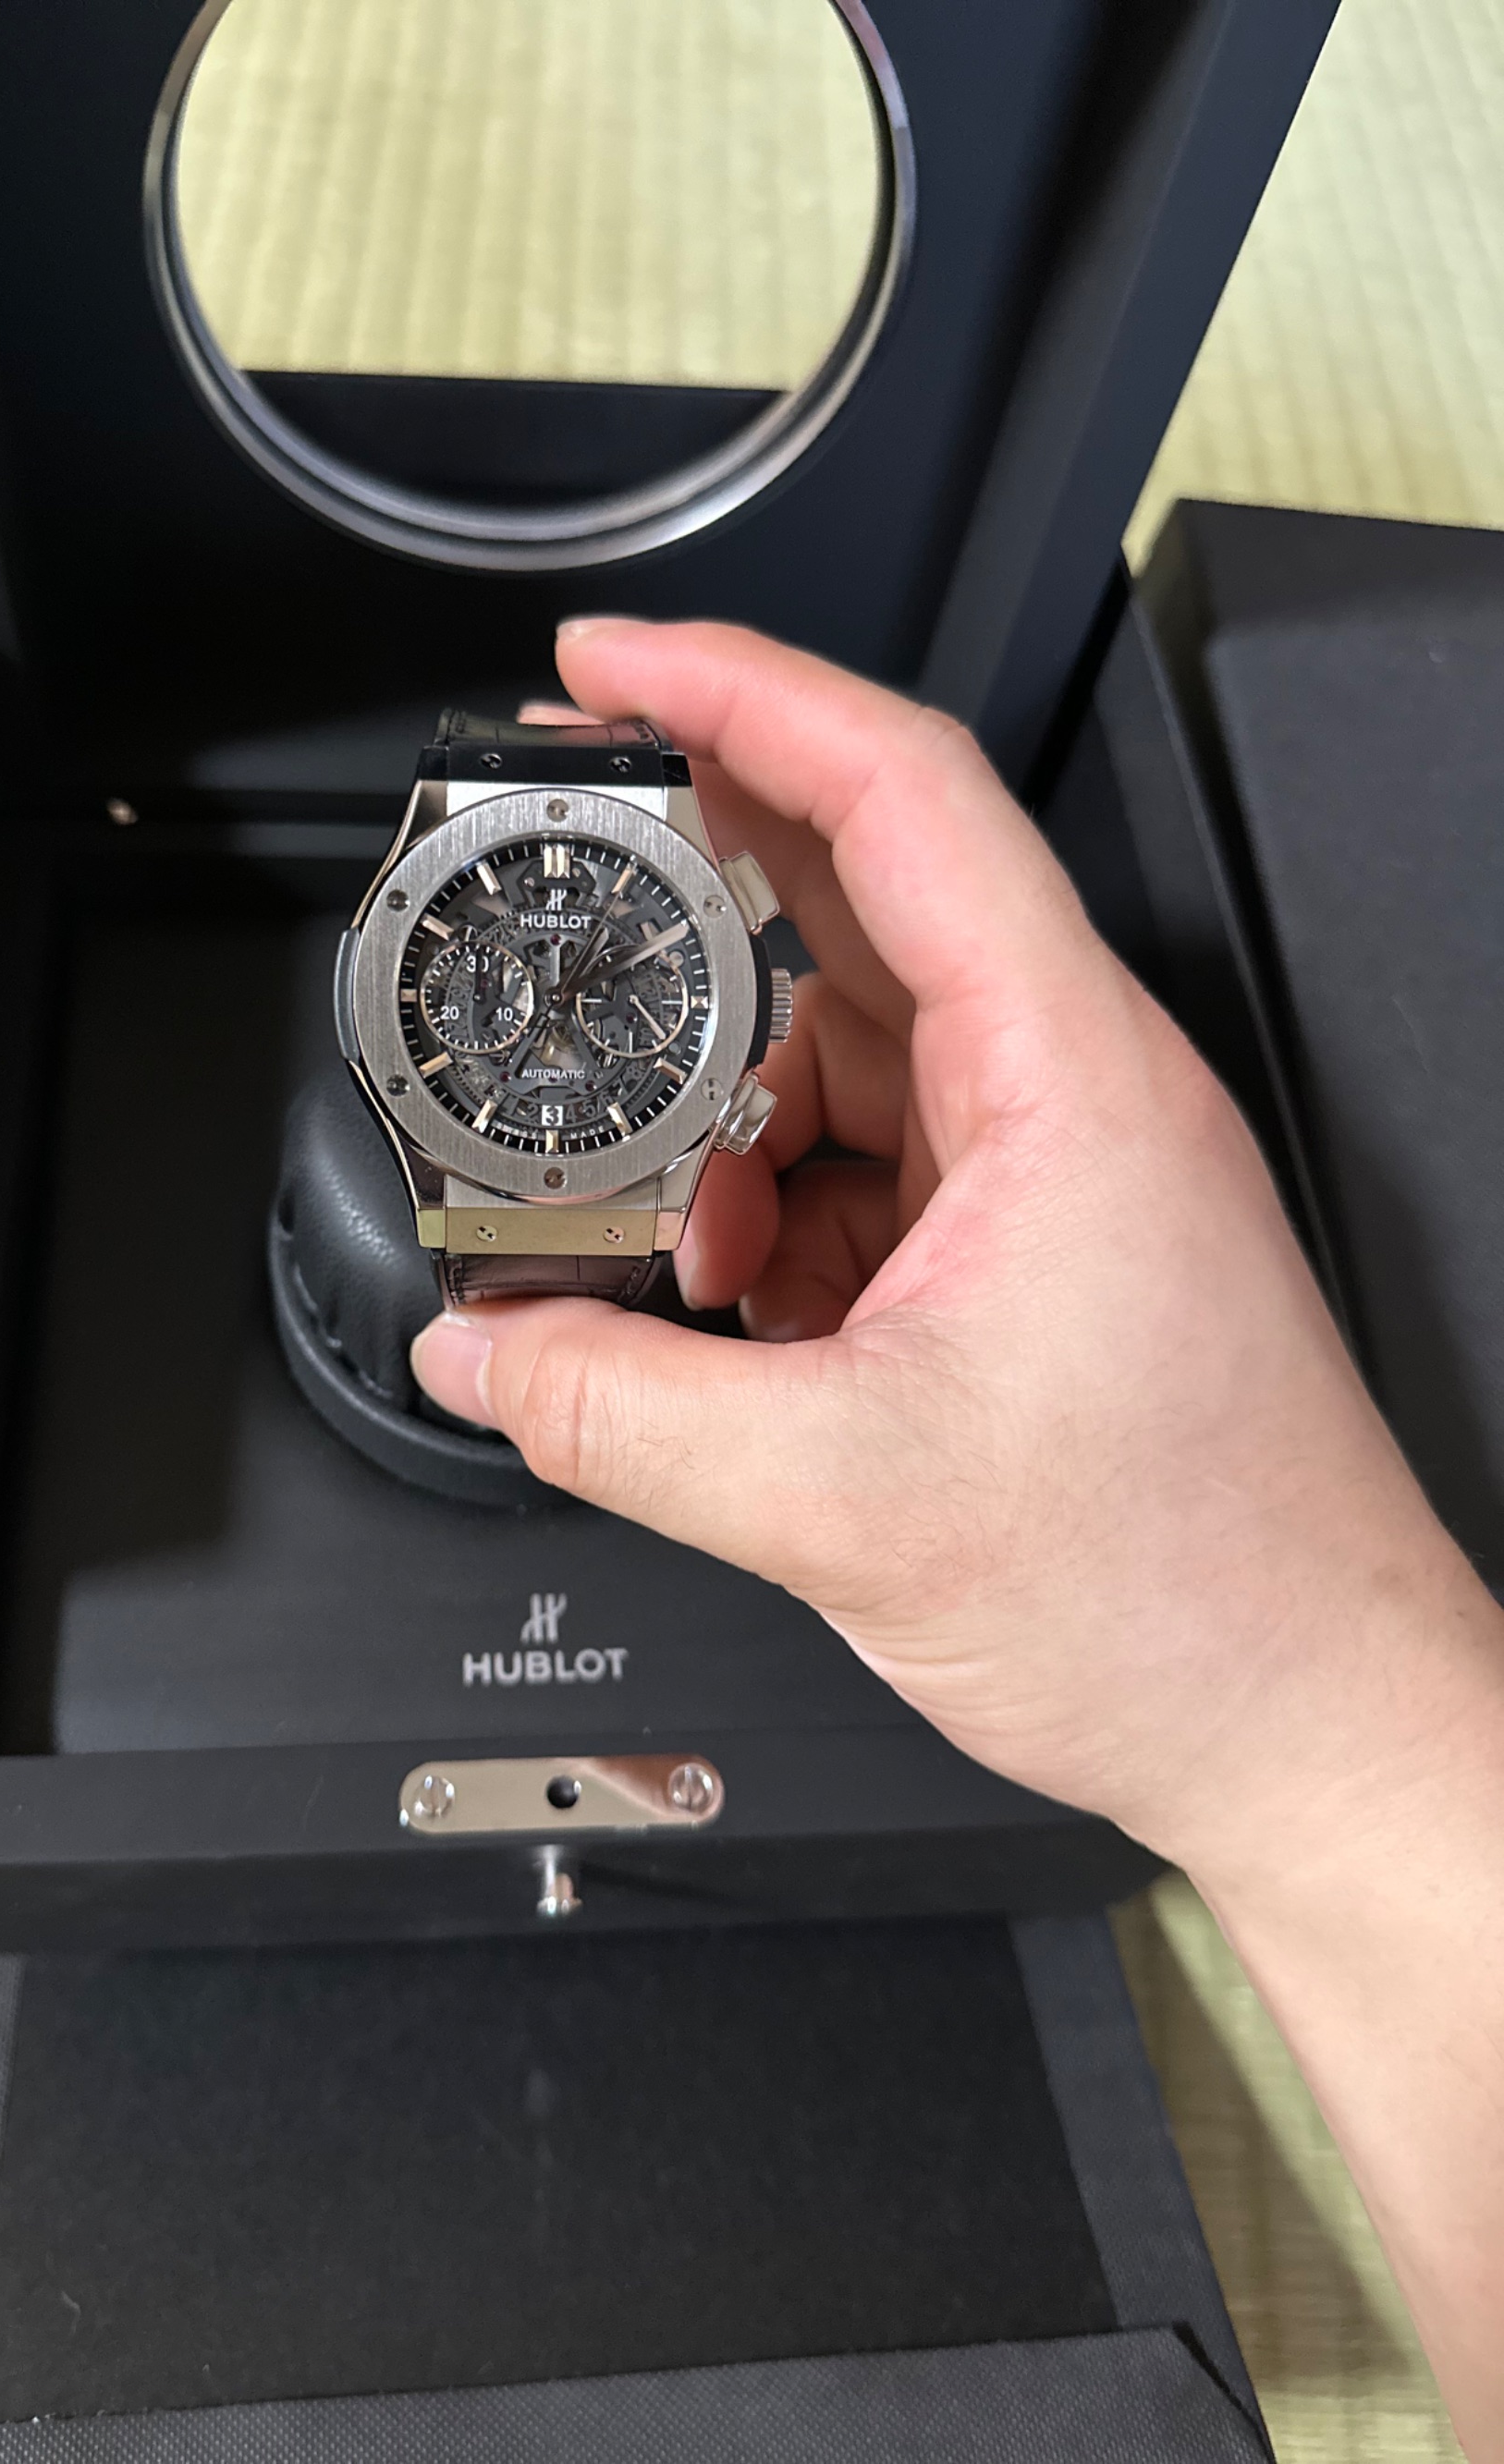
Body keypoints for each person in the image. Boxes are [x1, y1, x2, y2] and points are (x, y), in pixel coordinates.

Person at [412, 617, 1504, 2457]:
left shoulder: (710, 1072)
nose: (561, 991)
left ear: (720, 1047)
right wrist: (1314, 1745)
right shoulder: (707, 1019)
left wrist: (1308, 1739)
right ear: (396, 968)